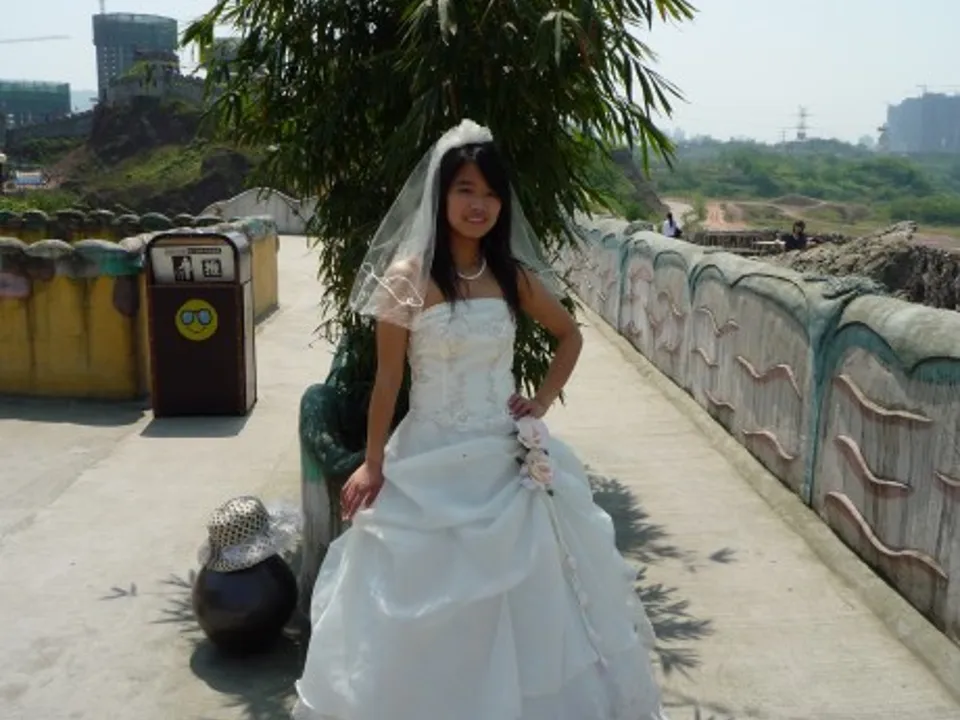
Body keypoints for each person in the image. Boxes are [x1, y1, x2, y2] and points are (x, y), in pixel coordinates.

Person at [293, 119, 668, 720]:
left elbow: (569, 335)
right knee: (423, 598)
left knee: (529, 597)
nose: (479, 205)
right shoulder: (407, 279)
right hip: (428, 456)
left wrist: (540, 401)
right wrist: (373, 463)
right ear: (441, 196)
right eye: (465, 189)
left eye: (491, 194)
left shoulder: (511, 276)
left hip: (505, 457)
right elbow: (389, 381)